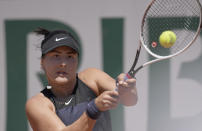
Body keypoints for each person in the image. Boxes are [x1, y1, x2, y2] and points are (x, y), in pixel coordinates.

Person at [25, 27, 138, 131]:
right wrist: (93, 108)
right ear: (42, 62)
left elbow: (130, 100)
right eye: (56, 56)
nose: (63, 64)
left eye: (70, 57)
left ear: (77, 61)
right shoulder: (37, 104)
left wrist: (127, 89)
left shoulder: (92, 77)